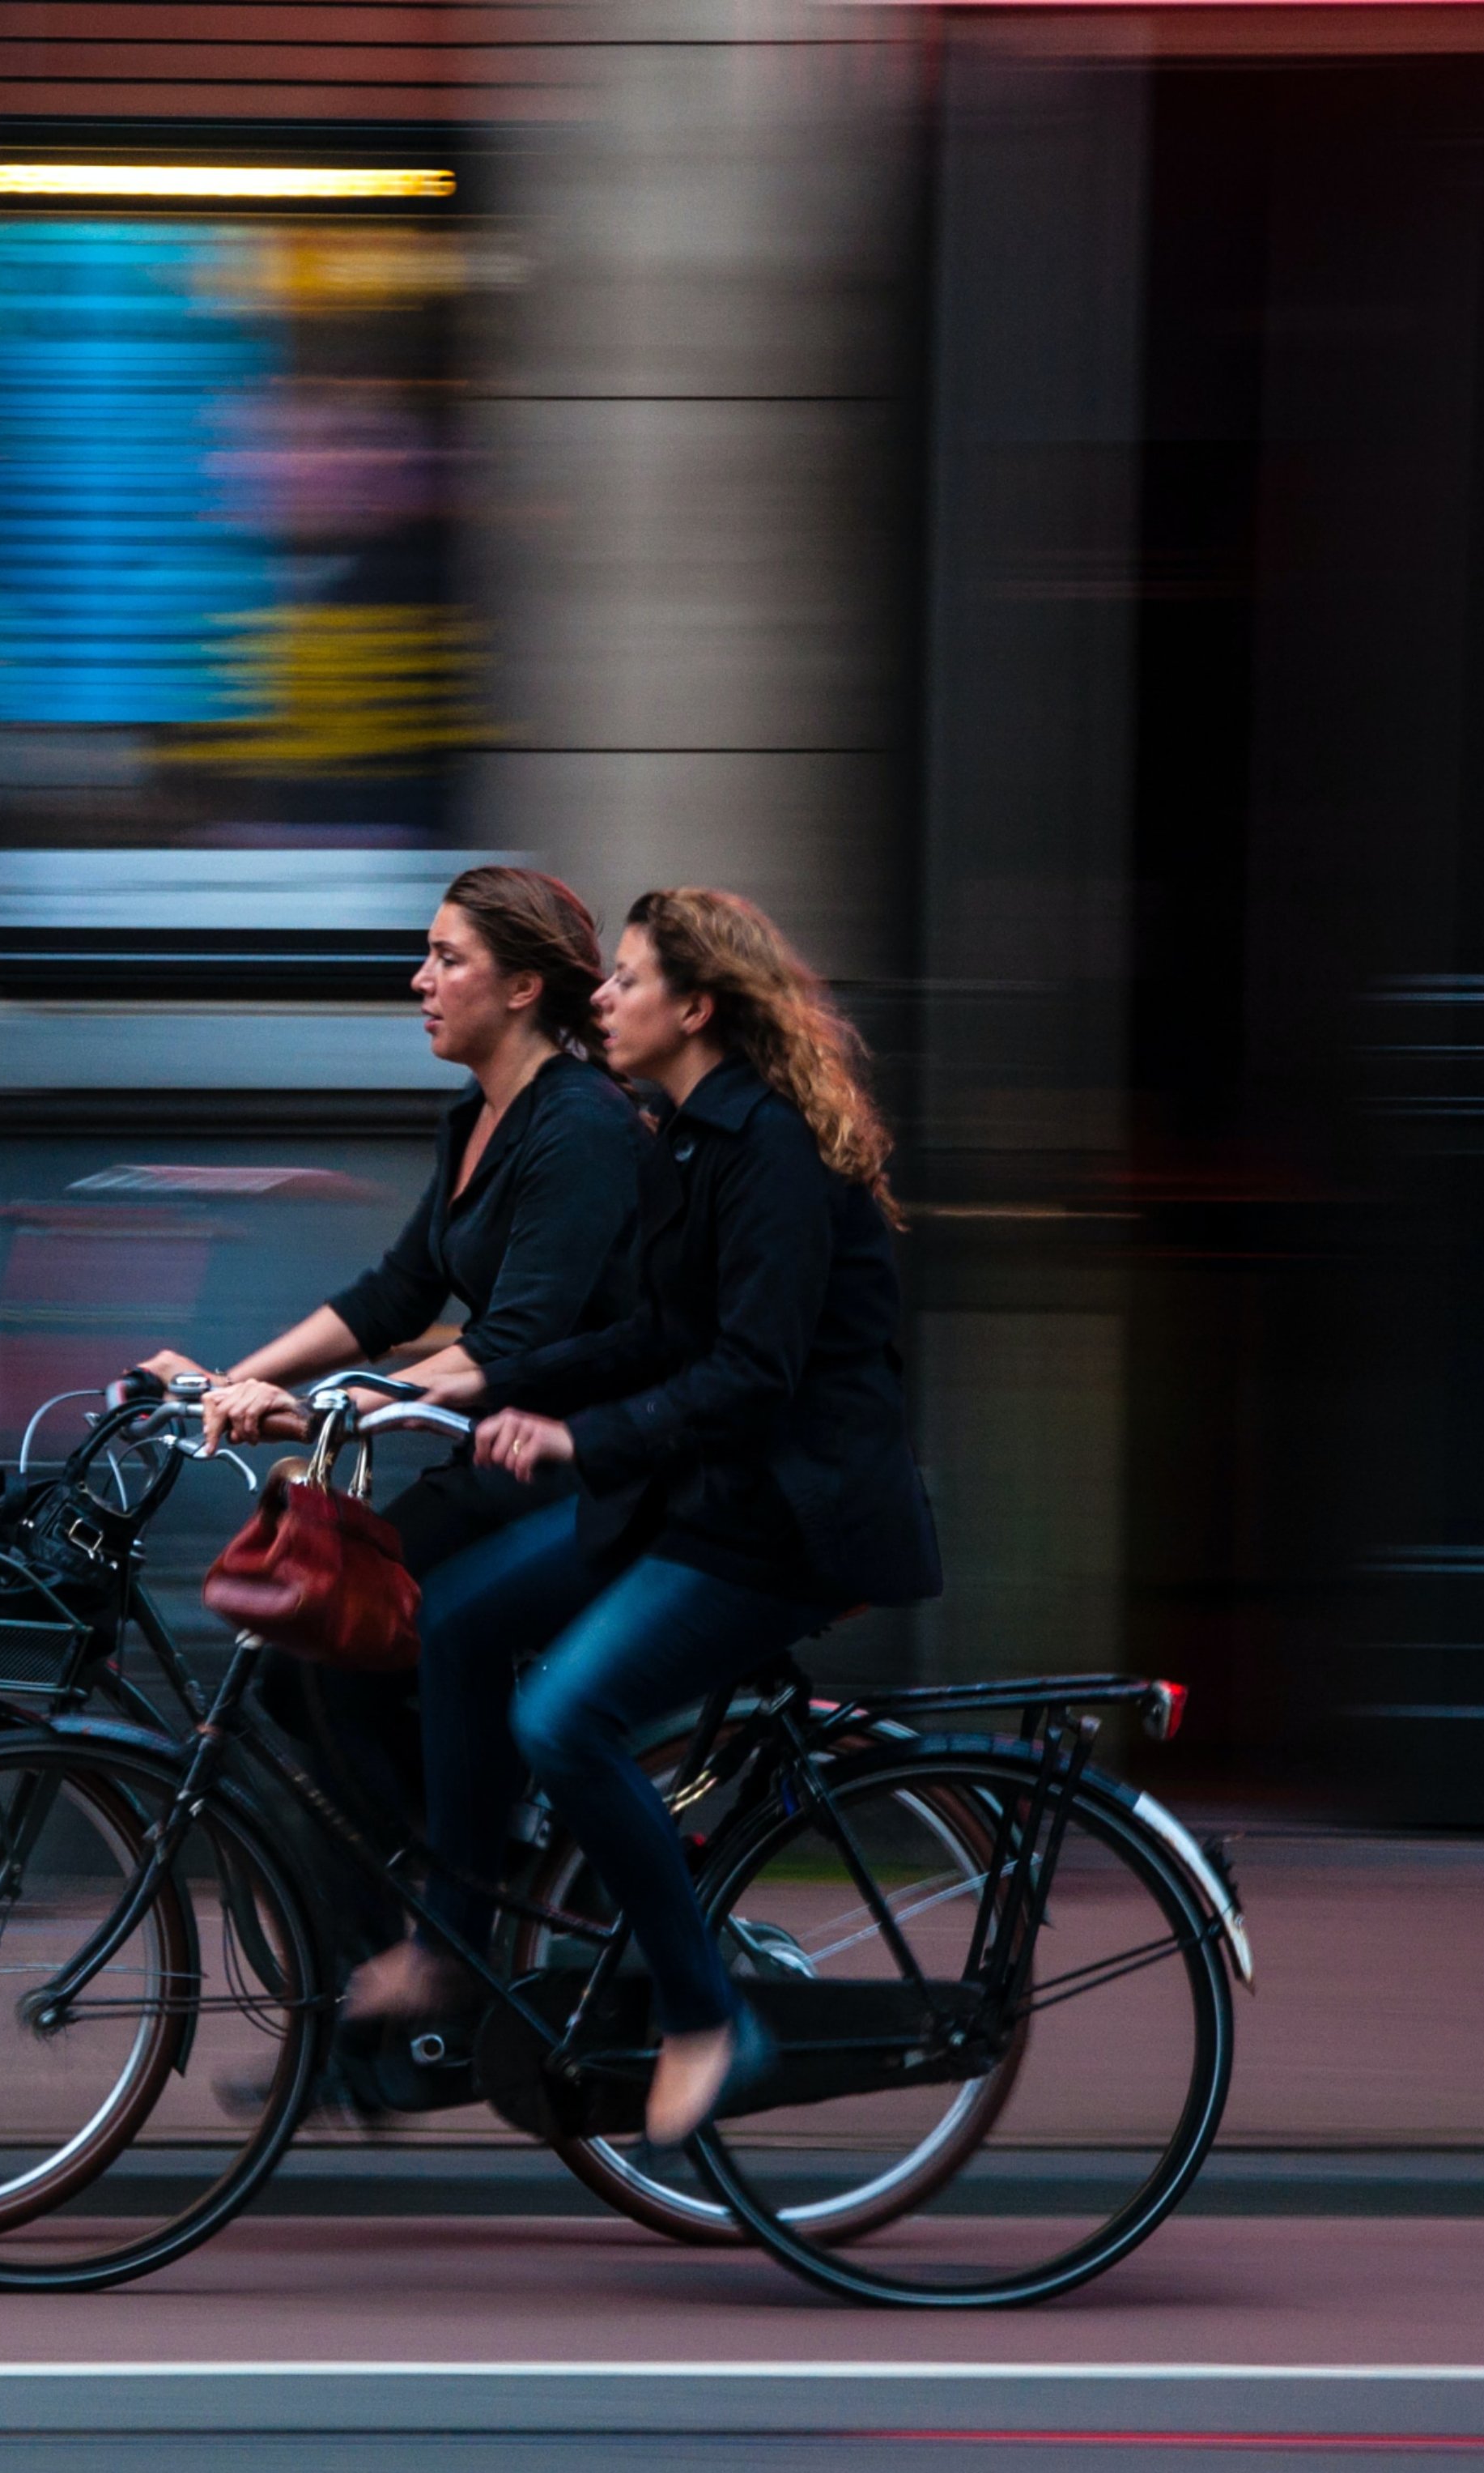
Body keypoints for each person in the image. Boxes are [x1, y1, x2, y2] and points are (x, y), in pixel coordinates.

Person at [346, 886, 943, 2146]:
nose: (600, 1000)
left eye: (625, 981)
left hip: (785, 1522)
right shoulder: (684, 1134)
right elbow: (658, 1332)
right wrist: (493, 1381)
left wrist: (575, 1436)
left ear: (698, 1006)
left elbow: (752, 1373)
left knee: (563, 1716)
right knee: (451, 1620)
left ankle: (708, 2018)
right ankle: (454, 1946)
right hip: (695, 1495)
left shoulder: (768, 1146)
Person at [143, 864, 644, 1588]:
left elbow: (516, 1339)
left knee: (339, 1628)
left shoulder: (580, 1125)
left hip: (574, 1467)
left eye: (449, 959)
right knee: (327, 1634)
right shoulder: (475, 1113)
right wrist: (225, 1385)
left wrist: (336, 1404)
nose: (420, 980)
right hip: (490, 1451)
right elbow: (396, 1295)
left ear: (521, 988)